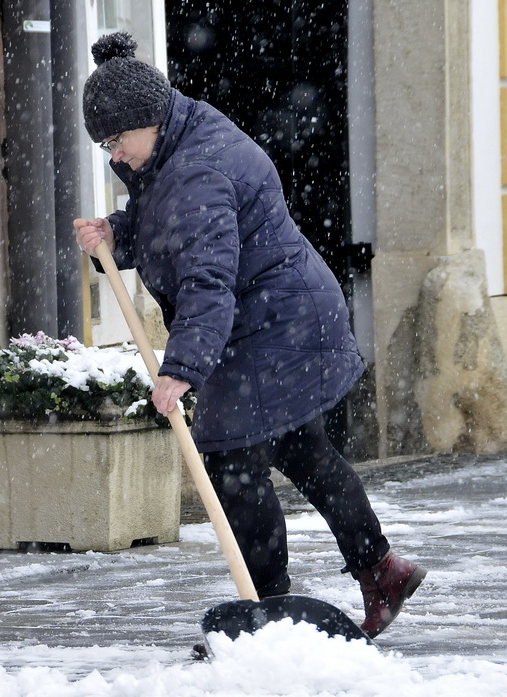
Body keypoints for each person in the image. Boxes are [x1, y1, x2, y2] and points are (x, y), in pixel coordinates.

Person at [73, 31, 425, 638]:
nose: (116, 155)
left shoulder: (195, 170)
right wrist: (119, 231)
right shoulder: (180, 139)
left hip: (274, 323)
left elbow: (207, 278)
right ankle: (380, 570)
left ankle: (268, 609)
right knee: (300, 449)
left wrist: (181, 367)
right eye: (105, 144)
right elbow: (172, 224)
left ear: (147, 119)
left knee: (232, 458)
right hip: (281, 313)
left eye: (115, 141)